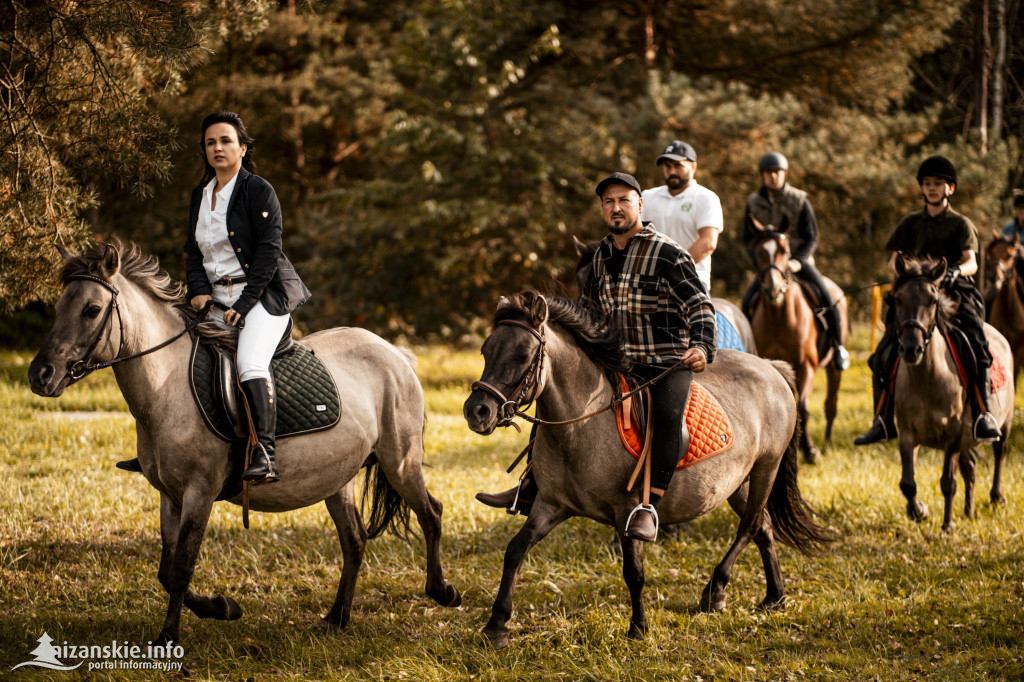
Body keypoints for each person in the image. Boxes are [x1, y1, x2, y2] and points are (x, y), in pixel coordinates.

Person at [477, 172, 716, 542]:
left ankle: (648, 507)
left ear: (640, 205)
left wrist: (701, 346)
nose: (616, 207)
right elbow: (587, 311)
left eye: (623, 200)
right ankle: (533, 484)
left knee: (668, 419)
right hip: (617, 358)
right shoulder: (600, 256)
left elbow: (699, 305)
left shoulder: (669, 253)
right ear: (603, 210)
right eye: (608, 202)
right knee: (552, 400)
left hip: (665, 360)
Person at [854, 155, 1001, 445]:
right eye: (927, 184)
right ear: (922, 188)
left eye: (938, 184)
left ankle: (983, 415)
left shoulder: (961, 224)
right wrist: (912, 275)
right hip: (916, 295)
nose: (932, 188)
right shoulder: (911, 223)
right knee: (882, 355)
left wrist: (954, 271)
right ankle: (882, 420)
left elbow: (972, 262)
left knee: (977, 346)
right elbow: (892, 262)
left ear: (951, 189)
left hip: (955, 293)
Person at [740, 152, 850, 370]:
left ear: (785, 174)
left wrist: (797, 261)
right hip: (769, 266)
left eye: (776, 172)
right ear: (762, 176)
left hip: (799, 262)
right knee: (746, 303)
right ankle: (745, 353)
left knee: (829, 298)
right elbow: (747, 239)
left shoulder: (799, 199)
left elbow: (812, 237)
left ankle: (838, 347)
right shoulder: (753, 203)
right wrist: (761, 264)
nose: (772, 177)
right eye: (768, 173)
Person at [640, 140, 723, 294]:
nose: (672, 172)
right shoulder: (647, 197)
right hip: (650, 280)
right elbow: (635, 235)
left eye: (678, 166)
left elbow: (708, 242)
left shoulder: (706, 198)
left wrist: (672, 269)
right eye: (667, 167)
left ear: (693, 167)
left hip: (692, 279)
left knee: (701, 319)